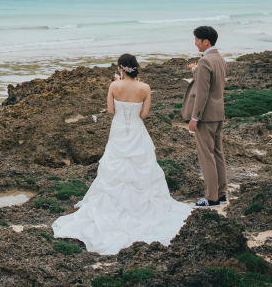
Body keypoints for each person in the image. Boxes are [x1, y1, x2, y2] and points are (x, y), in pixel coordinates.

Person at [52, 53, 192, 255]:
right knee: (141, 166)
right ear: (136, 68)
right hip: (136, 131)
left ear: (120, 69)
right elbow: (144, 114)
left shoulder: (113, 86)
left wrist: (118, 89)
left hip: (118, 131)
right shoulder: (145, 88)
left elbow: (110, 111)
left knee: (115, 167)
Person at [181, 26, 228, 208]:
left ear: (205, 41)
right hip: (218, 114)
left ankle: (211, 198)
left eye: (196, 40)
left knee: (206, 157)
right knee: (218, 154)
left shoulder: (205, 62)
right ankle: (222, 194)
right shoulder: (220, 59)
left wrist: (195, 117)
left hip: (206, 117)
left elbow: (202, 93)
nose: (195, 43)